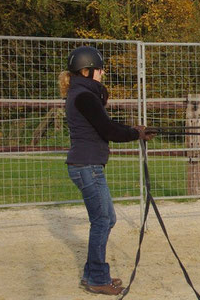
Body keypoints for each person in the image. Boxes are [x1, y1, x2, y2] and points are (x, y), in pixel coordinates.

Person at [59, 46, 155, 295]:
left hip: (86, 165)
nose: (103, 73)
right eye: (100, 69)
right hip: (87, 166)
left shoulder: (82, 94)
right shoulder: (84, 97)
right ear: (87, 70)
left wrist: (135, 130)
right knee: (103, 220)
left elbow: (106, 125)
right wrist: (136, 133)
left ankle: (92, 274)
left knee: (105, 219)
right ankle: (97, 278)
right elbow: (108, 130)